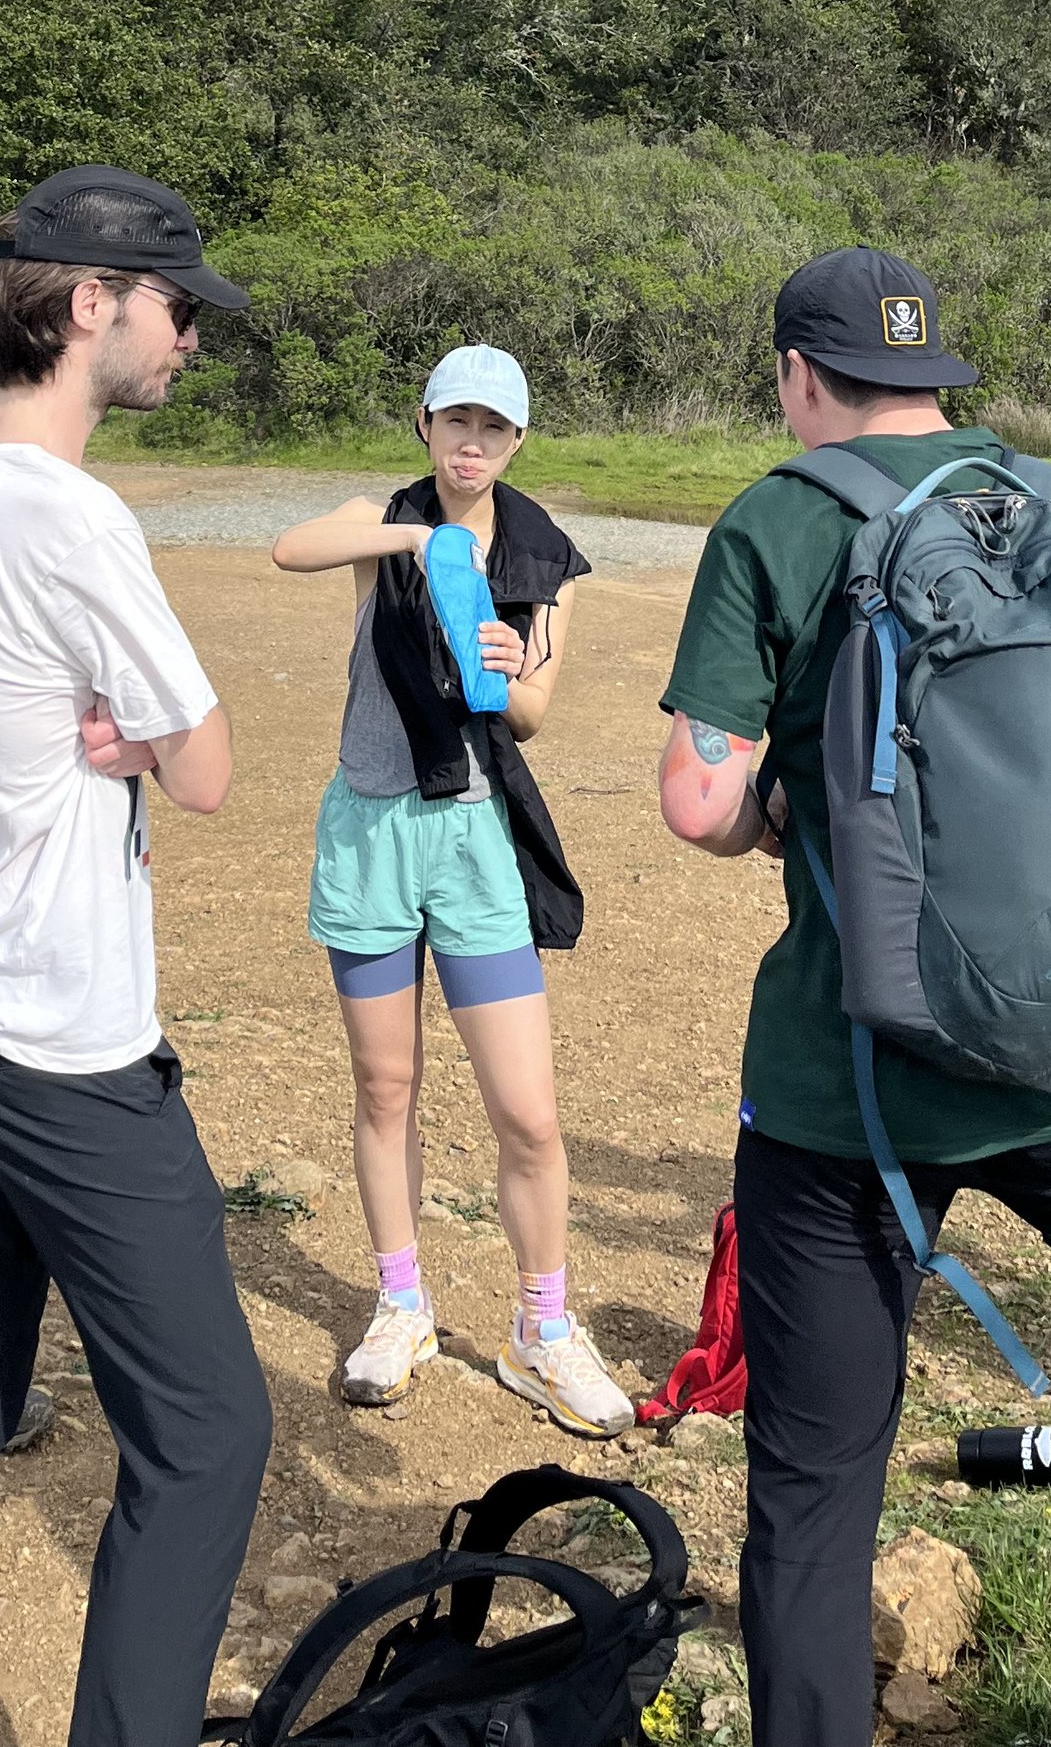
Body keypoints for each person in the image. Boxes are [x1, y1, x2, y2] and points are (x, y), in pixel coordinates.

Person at [657, 248, 1051, 1747]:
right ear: (937, 374)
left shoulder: (776, 521)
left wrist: (779, 809)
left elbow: (698, 801)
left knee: (816, 1472)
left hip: (858, 1080)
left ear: (799, 376)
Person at [0, 168, 271, 1747]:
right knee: (212, 1430)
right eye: (174, 308)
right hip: (54, 1032)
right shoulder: (73, 515)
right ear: (90, 304)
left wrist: (122, 731)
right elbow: (208, 764)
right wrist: (147, 739)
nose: (189, 339)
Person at [271, 344, 632, 1434]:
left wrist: (510, 669)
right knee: (386, 1086)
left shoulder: (545, 559)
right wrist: (416, 542)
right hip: (370, 832)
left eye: (495, 428)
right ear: (425, 423)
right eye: (456, 422)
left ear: (518, 440)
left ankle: (542, 1329)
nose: (473, 445)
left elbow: (532, 717)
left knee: (527, 1109)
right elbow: (290, 548)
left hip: (473, 839)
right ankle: (401, 1306)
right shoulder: (379, 520)